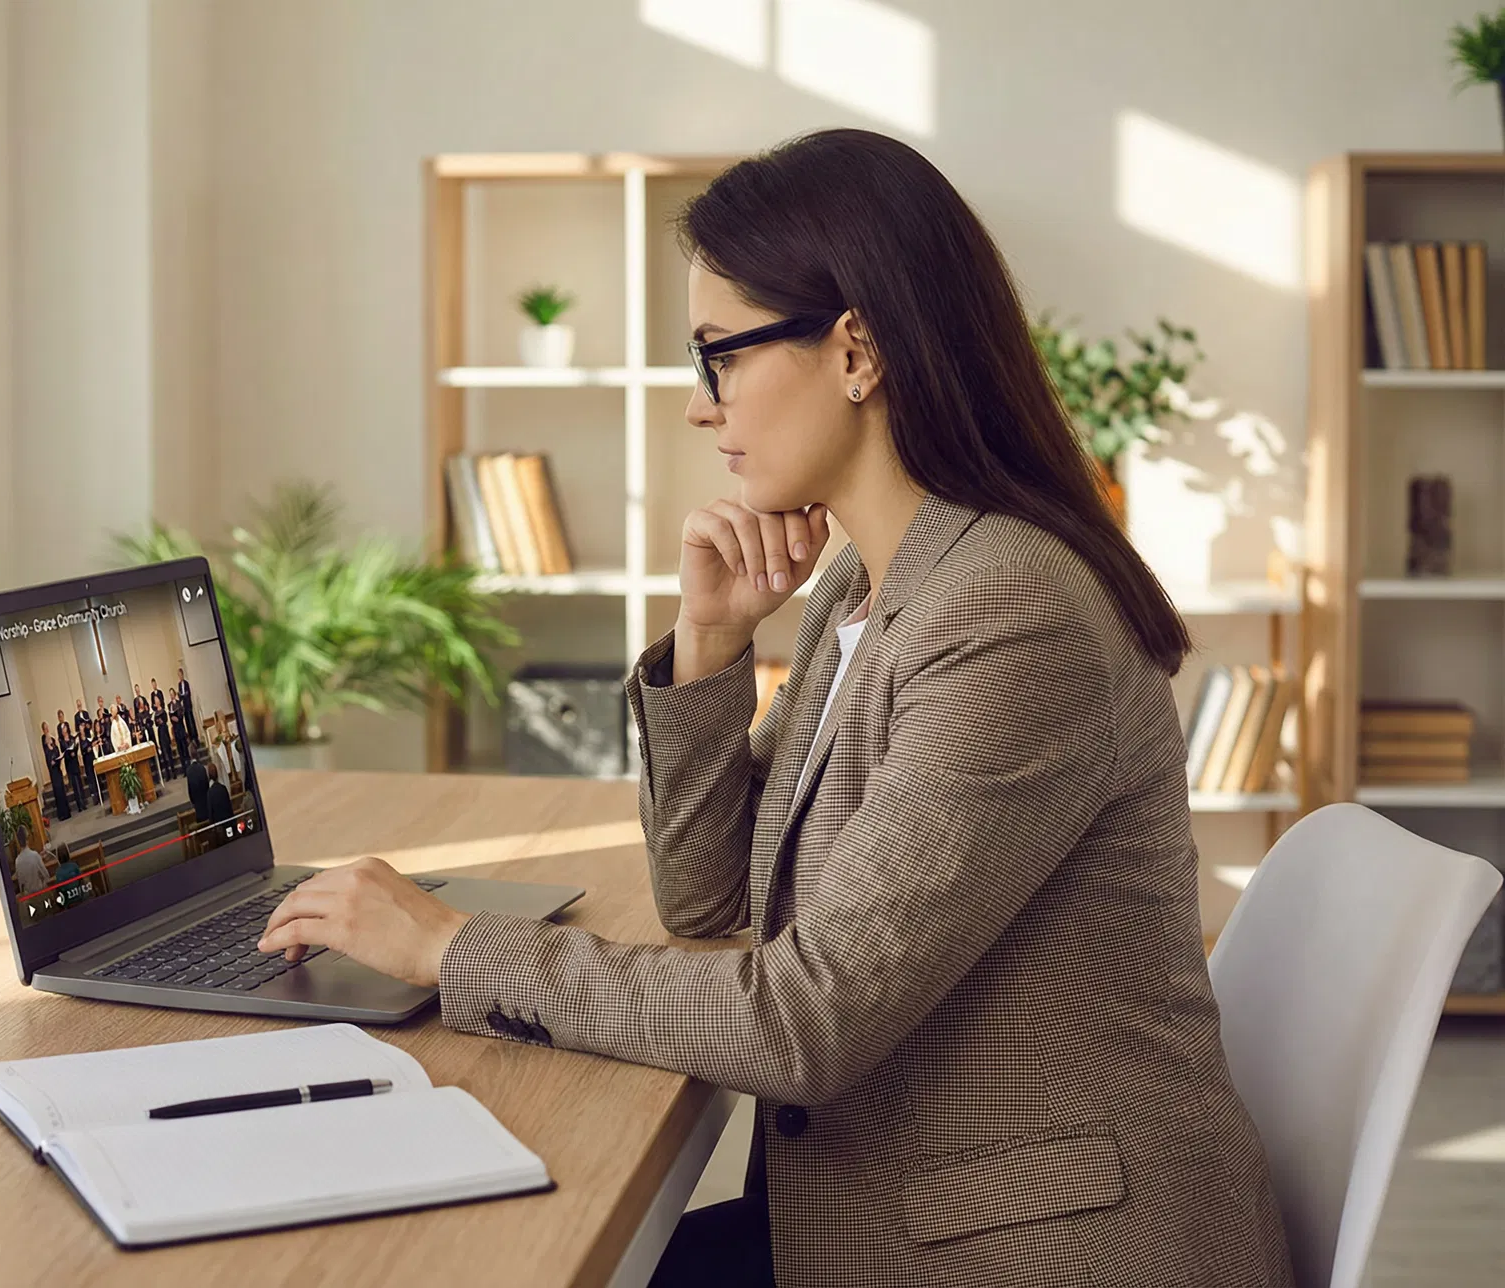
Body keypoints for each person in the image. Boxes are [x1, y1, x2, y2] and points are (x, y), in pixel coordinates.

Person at [250, 129, 1295, 1288]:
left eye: (720, 356)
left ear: (857, 349)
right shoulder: (869, 577)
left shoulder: (1011, 610)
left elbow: (804, 1019)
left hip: (1033, 1245)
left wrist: (449, 945)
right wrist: (711, 645)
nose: (705, 407)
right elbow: (709, 897)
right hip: (913, 1199)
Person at [55, 707, 84, 813]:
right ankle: (79, 804)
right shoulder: (62, 740)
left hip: (74, 760)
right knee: (74, 783)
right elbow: (64, 750)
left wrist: (74, 750)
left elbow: (75, 746)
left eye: (65, 729)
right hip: (69, 762)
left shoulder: (71, 737)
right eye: (63, 729)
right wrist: (69, 753)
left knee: (79, 781)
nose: (64, 730)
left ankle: (83, 802)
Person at [10, 826, 53, 897]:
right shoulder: (34, 856)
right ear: (27, 839)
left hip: (29, 897)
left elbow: (21, 886)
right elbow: (46, 876)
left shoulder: (17, 861)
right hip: (41, 894)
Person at [40, 722, 70, 822]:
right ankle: (61, 814)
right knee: (57, 791)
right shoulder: (44, 741)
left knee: (62, 788)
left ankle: (67, 812)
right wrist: (49, 747)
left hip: (57, 768)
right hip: (53, 771)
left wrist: (56, 755)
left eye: (47, 728)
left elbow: (56, 751)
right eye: (45, 729)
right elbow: (47, 755)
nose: (47, 730)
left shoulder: (52, 739)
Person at [204, 760, 233, 836]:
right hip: (228, 823)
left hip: (219, 827)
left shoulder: (210, 793)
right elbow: (229, 806)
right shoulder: (223, 788)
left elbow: (211, 813)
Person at [185, 742, 212, 824]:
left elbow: (190, 789)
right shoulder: (202, 768)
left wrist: (193, 801)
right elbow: (207, 785)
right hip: (206, 801)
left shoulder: (189, 771)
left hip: (197, 804)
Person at [176, 667, 198, 746]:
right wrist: (180, 695)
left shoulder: (186, 683)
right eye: (178, 675)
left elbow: (188, 694)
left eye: (180, 675)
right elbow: (180, 696)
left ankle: (195, 737)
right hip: (184, 707)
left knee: (191, 721)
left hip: (188, 705)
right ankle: (191, 738)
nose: (180, 676)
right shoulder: (179, 685)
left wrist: (184, 695)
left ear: (183, 674)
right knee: (188, 723)